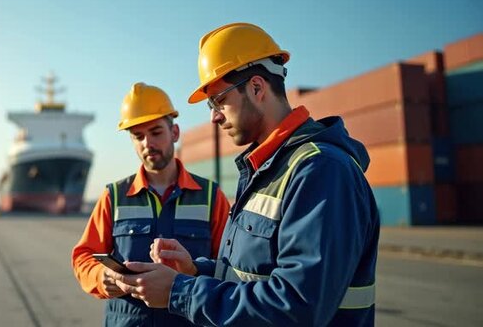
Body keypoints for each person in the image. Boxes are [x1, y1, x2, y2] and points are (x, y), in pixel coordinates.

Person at [112, 23, 380, 326]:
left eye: (219, 101)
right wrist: (196, 271)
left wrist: (179, 291)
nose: (214, 117)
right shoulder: (267, 169)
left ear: (256, 88)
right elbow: (253, 273)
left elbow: (297, 306)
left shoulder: (321, 171)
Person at [71, 82, 231, 326]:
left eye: (156, 132)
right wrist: (102, 276)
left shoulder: (210, 196)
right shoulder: (114, 196)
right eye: (138, 136)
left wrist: (193, 272)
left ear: (174, 133)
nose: (147, 143)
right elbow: (83, 256)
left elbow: (229, 265)